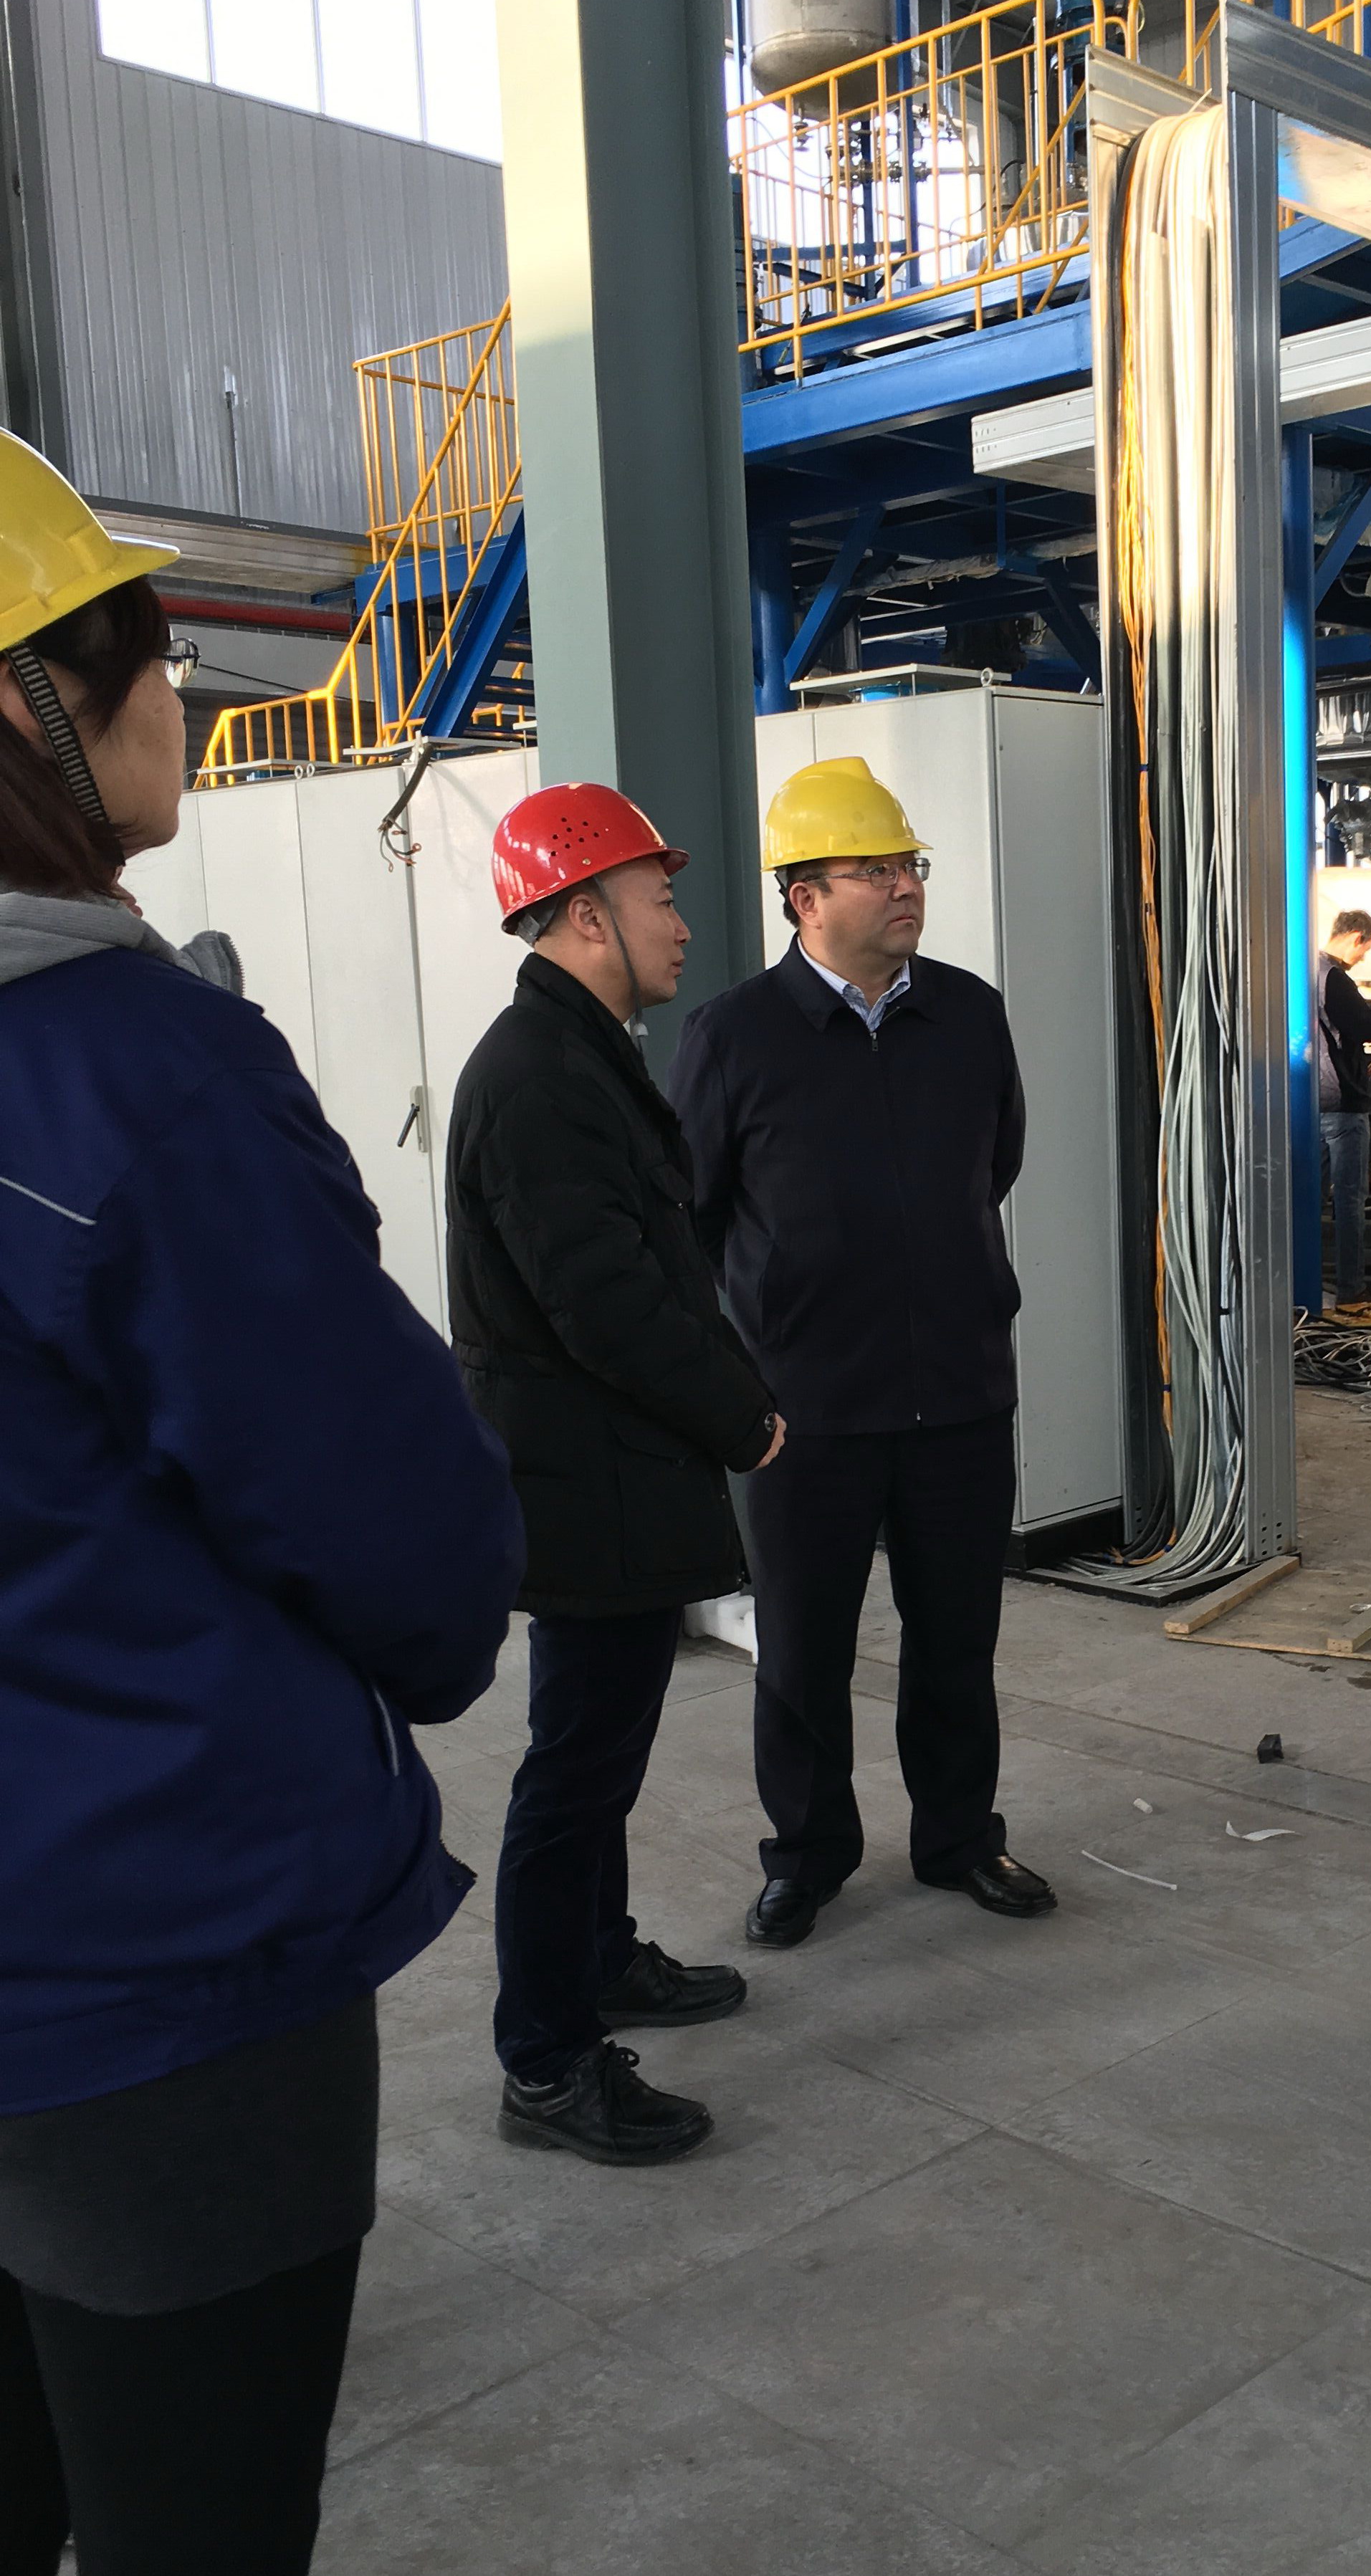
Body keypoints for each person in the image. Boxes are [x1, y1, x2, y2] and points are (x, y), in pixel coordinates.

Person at [0, 432, 523, 2575]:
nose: (179, 688)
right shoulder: (126, 1073)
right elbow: (401, 1530)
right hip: (153, 1965)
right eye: (135, 646)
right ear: (25, 708)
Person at [446, 782, 786, 2168]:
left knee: (599, 1750)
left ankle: (598, 1959)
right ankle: (545, 2062)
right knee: (575, 1771)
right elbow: (608, 1303)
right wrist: (742, 1417)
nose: (684, 925)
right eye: (662, 899)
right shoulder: (539, 1077)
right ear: (586, 913)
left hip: (610, 1478)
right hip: (587, 1485)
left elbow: (650, 1272)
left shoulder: (579, 1055)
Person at [669, 755, 1056, 1948]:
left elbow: (994, 1165)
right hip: (805, 1412)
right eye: (874, 868)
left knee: (958, 1645)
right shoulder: (733, 1034)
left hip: (960, 1395)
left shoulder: (968, 1014)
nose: (905, 887)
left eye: (910, 865)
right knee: (801, 1656)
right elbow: (691, 1211)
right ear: (804, 896)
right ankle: (807, 1857)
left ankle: (960, 1838)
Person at [1317, 906, 1371, 1306]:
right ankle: (1352, 1289)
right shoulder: (1335, 978)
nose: (1363, 958)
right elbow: (1366, 1026)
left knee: (1309, 1198)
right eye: (1367, 949)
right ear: (1356, 937)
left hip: (1310, 1103)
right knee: (1348, 1201)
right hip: (1343, 1104)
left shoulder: (1303, 972)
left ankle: (1304, 1282)